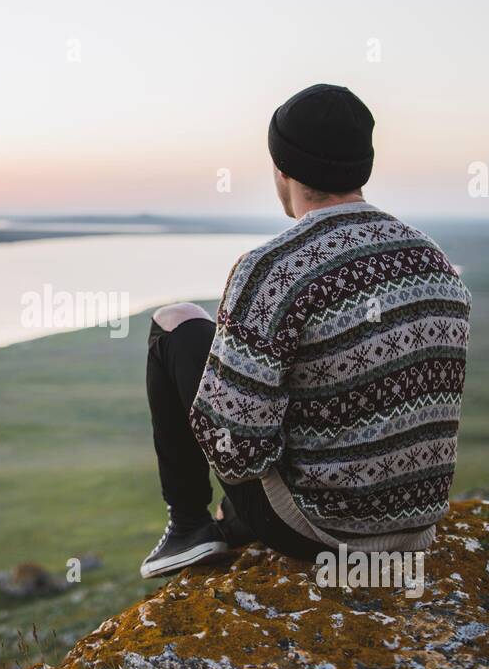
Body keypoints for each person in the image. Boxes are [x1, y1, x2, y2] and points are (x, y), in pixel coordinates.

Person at [141, 84, 472, 578]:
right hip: (415, 528)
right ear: (364, 166)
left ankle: (188, 526)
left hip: (321, 536)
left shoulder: (271, 269)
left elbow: (238, 455)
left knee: (177, 324)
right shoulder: (436, 261)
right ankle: (228, 521)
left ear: (282, 168)